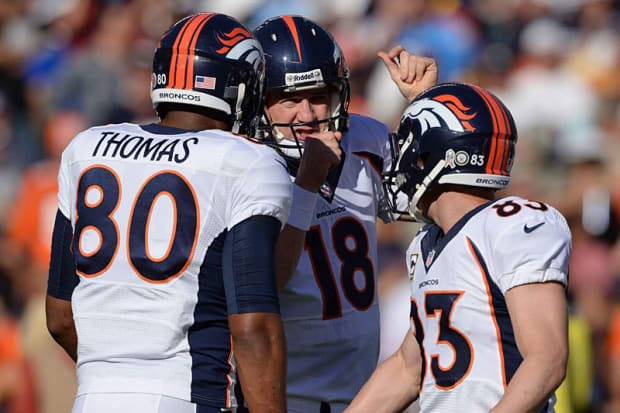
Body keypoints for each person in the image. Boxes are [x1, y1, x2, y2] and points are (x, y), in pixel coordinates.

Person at [45, 13, 291, 413]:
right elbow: (254, 327)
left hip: (93, 398)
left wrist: (119, 384)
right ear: (239, 86)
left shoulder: (86, 147)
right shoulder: (247, 161)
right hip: (190, 393)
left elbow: (59, 317)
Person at [346, 82, 571, 412]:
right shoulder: (427, 243)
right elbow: (409, 368)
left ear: (435, 157)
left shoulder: (512, 224)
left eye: (411, 151)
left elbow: (547, 359)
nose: (402, 165)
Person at [252, 15, 437, 412]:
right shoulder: (245, 165)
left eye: (318, 96)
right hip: (280, 397)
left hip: (362, 392)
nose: (306, 114)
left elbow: (437, 199)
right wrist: (306, 184)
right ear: (257, 102)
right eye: (288, 99)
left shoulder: (363, 140)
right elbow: (267, 281)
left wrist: (425, 107)